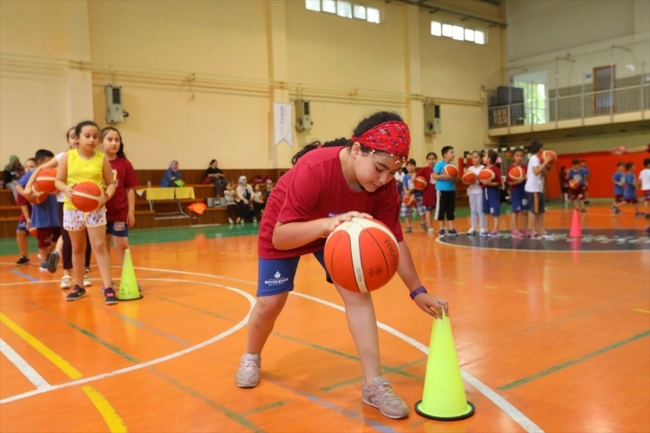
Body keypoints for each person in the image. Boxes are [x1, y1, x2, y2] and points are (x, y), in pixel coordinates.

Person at [235, 112, 448, 420]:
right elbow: (281, 237)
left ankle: (373, 384)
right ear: (358, 149)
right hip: (290, 227)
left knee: (358, 294)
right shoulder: (315, 168)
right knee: (270, 304)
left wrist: (418, 291)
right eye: (380, 169)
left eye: (392, 173)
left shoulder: (384, 188)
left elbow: (395, 240)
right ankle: (252, 356)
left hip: (337, 230)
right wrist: (326, 224)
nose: (384, 180)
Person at [55, 120, 117, 304]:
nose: (91, 140)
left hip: (96, 209)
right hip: (72, 208)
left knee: (99, 246)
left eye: (95, 136)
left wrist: (105, 196)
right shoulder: (68, 157)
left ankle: (108, 287)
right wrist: (66, 189)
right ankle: (79, 286)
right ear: (78, 138)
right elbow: (58, 181)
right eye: (87, 136)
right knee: (77, 248)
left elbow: (111, 183)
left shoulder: (101, 158)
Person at [25, 127, 93, 289]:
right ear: (68, 141)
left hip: (87, 201)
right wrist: (29, 186)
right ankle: (67, 274)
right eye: (72, 137)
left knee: (86, 239)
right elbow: (40, 169)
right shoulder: (63, 156)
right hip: (66, 201)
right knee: (68, 238)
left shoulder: (92, 157)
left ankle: (83, 272)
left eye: (78, 136)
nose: (76, 140)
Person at [16, 150, 61, 272]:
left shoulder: (56, 172)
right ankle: (44, 261)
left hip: (56, 210)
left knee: (58, 237)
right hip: (41, 212)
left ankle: (48, 254)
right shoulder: (33, 174)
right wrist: (26, 194)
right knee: (43, 239)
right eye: (49, 161)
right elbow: (18, 186)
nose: (52, 163)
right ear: (40, 162)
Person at [101, 127, 139, 268]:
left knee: (122, 245)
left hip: (119, 211)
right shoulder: (95, 162)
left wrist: (131, 212)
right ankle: (107, 279)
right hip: (99, 212)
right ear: (101, 142)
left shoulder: (124, 163)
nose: (114, 143)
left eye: (117, 140)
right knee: (102, 247)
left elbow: (130, 189)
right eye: (110, 139)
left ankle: (128, 276)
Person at [525, 140, 553, 239]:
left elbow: (542, 173)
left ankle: (541, 229)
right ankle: (533, 231)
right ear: (540, 149)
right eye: (542, 148)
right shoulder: (534, 158)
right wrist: (545, 162)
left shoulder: (538, 160)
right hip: (533, 188)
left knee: (540, 211)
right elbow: (536, 171)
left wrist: (548, 166)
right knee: (534, 210)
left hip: (538, 188)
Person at [14, 158, 36, 266]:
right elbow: (22, 203)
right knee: (20, 232)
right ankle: (24, 257)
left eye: (31, 166)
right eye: (26, 167)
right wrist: (27, 218)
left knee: (46, 234)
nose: (28, 169)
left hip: (43, 211)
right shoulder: (22, 184)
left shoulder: (41, 181)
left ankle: (48, 254)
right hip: (28, 211)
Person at [433, 146, 457, 237]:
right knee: (441, 209)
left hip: (451, 190)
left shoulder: (453, 165)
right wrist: (443, 176)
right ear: (445, 154)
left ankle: (451, 229)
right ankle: (441, 229)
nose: (453, 154)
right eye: (451, 152)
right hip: (441, 190)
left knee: (451, 209)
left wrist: (454, 176)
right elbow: (434, 176)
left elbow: (456, 178)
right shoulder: (439, 164)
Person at [400, 158, 427, 233]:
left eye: (411, 165)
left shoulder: (418, 176)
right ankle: (408, 226)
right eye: (407, 166)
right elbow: (404, 186)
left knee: (422, 210)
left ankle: (423, 223)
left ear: (415, 166)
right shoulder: (405, 177)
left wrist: (410, 190)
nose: (409, 167)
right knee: (405, 211)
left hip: (417, 196)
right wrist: (406, 192)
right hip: (408, 197)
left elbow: (418, 185)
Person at [480, 150, 502, 237]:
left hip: (493, 192)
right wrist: (482, 182)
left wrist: (490, 184)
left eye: (484, 156)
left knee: (495, 211)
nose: (483, 158)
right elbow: (480, 181)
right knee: (486, 211)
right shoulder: (483, 169)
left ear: (489, 159)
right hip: (485, 192)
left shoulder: (495, 169)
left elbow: (499, 182)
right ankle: (486, 229)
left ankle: (495, 230)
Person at [508, 149, 529, 237]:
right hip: (515, 191)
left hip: (524, 190)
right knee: (515, 210)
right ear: (513, 157)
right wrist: (516, 182)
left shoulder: (525, 167)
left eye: (521, 156)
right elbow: (509, 182)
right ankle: (514, 229)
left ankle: (525, 229)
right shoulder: (511, 168)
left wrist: (524, 178)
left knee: (525, 211)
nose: (519, 157)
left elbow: (528, 177)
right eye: (517, 155)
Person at [465, 151, 485, 236]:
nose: (473, 159)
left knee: (480, 210)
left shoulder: (483, 168)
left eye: (476, 157)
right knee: (473, 210)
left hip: (480, 191)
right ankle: (473, 227)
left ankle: (482, 227)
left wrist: (476, 178)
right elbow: (466, 180)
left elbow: (484, 180)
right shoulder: (470, 168)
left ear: (481, 159)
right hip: (472, 191)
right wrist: (468, 181)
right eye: (472, 157)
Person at [417, 152, 437, 234]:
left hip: (438, 192)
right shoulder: (424, 170)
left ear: (436, 160)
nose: (431, 161)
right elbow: (416, 177)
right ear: (427, 161)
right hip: (428, 194)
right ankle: (430, 227)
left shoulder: (439, 169)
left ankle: (442, 226)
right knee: (429, 210)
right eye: (429, 159)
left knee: (440, 210)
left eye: (433, 159)